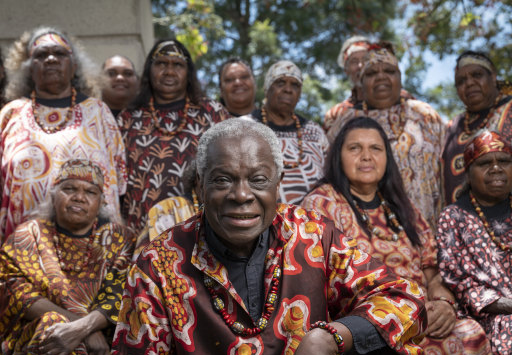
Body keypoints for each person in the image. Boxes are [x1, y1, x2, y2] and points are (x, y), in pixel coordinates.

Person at [106, 118, 427, 355]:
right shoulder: (159, 262)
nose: (242, 195)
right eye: (223, 180)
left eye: (258, 180)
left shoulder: (312, 235)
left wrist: (330, 338)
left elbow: (404, 298)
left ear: (278, 185)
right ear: (201, 187)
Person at [303, 117, 497, 355]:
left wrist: (443, 304)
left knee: (469, 333)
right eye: (355, 148)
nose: (366, 156)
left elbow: (432, 272)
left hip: (421, 315)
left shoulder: (401, 207)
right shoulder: (322, 204)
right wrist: (401, 313)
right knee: (418, 351)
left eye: (376, 148)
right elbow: (321, 286)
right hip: (365, 321)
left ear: (387, 158)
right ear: (339, 156)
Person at [0, 159, 133, 355]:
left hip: (105, 341)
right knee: (52, 325)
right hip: (39, 338)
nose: (79, 197)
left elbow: (120, 295)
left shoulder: (119, 239)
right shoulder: (29, 236)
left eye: (90, 192)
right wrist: (82, 330)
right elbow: (20, 295)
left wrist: (86, 328)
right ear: (53, 196)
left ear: (102, 202)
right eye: (69, 189)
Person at [0, 26, 127, 238]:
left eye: (59, 53)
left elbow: (119, 183)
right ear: (29, 68)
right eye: (41, 55)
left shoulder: (99, 112)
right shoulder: (11, 114)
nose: (50, 59)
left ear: (74, 65)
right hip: (25, 247)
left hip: (91, 246)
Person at [324, 43, 445, 228]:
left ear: (400, 78)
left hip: (428, 226)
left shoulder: (424, 115)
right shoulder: (344, 122)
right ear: (361, 83)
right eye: (371, 74)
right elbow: (332, 175)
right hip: (365, 229)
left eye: (389, 71)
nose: (381, 77)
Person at [120, 39, 229, 236]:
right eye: (161, 63)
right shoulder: (128, 118)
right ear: (149, 71)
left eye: (177, 65)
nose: (169, 71)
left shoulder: (212, 112)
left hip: (202, 227)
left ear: (188, 73)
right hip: (141, 229)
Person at [437, 130, 512, 355]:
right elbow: (459, 282)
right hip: (486, 317)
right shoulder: (453, 217)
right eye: (484, 163)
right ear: (469, 172)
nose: (495, 168)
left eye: (503, 161)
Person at [245, 60, 329, 205]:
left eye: (295, 85)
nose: (288, 89)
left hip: (312, 221)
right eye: (280, 82)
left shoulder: (315, 132)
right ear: (267, 88)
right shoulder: (244, 126)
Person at [442, 51, 512, 205]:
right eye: (461, 81)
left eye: (477, 75)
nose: (469, 83)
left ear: (493, 77)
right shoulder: (452, 127)